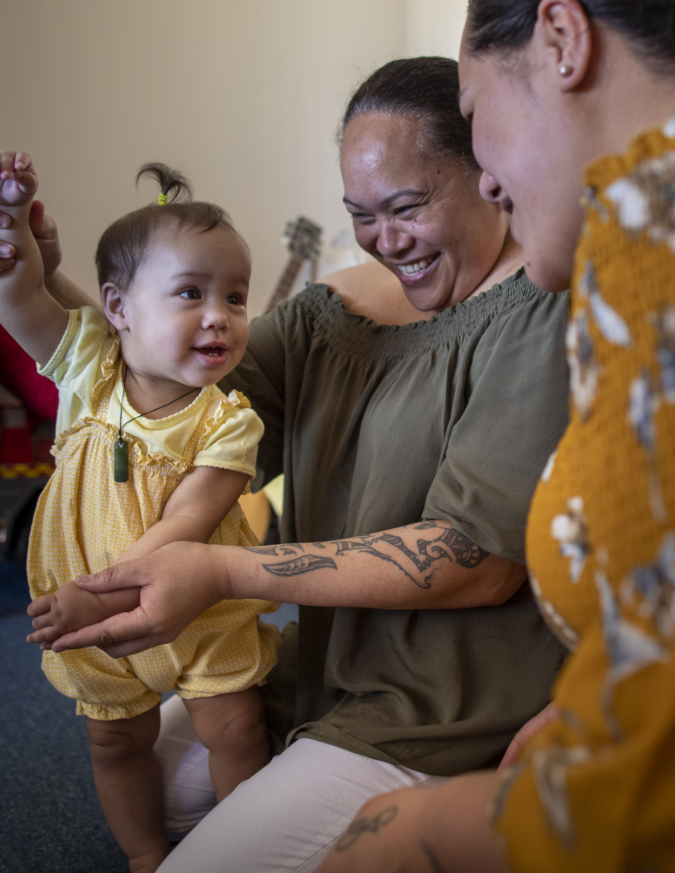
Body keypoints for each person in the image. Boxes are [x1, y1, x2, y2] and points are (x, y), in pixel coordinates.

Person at [14, 58, 571, 873]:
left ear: (486, 176)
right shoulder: (328, 313)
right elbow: (161, 390)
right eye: (361, 215)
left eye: (407, 207)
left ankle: (457, 810)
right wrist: (35, 283)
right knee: (146, 787)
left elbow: (474, 562)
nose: (385, 240)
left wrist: (222, 570)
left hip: (443, 705)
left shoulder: (541, 311)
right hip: (324, 671)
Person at [314, 0, 675, 872]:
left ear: (561, 40)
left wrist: (425, 833)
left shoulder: (650, 240)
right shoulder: (631, 238)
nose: (490, 178)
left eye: (478, 123)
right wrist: (586, 704)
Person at [0, 157, 279, 873]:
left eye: (237, 296)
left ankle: (238, 853)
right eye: (190, 292)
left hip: (198, 604)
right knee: (114, 740)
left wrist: (97, 592)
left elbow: (184, 527)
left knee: (237, 725)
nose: (220, 314)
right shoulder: (88, 366)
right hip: (88, 606)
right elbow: (20, 298)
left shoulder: (228, 420)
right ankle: (145, 853)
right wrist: (13, 229)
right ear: (119, 308)